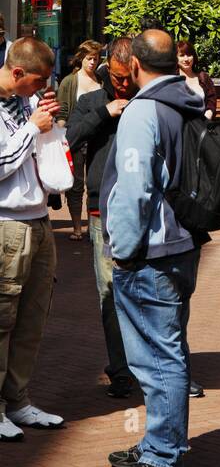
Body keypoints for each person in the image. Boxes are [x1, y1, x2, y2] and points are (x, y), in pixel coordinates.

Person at [102, 29, 207, 467]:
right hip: (182, 244)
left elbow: (134, 186)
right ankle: (157, 443)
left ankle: (164, 456)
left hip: (152, 250)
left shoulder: (143, 110)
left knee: (157, 358)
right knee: (168, 349)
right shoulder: (187, 99)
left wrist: (122, 250)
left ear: (135, 65)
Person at [0, 38, 65, 441]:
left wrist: (50, 126)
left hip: (39, 220)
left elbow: (39, 152)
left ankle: (18, 400)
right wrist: (31, 130)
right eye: (37, 81)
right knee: (2, 320)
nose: (41, 88)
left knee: (32, 318)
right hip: (7, 225)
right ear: (17, 72)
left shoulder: (27, 102)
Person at [66, 38, 138, 400]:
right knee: (109, 293)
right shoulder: (90, 100)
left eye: (129, 78)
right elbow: (70, 137)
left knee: (146, 292)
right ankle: (121, 369)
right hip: (101, 210)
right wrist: (104, 113)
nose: (124, 85)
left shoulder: (146, 99)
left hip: (143, 209)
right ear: (108, 66)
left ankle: (153, 365)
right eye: (119, 77)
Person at [56, 39, 103, 240]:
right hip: (76, 138)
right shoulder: (70, 81)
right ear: (81, 58)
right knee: (75, 185)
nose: (93, 62)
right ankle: (77, 227)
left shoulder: (101, 80)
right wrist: (62, 139)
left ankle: (93, 227)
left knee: (95, 183)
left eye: (96, 58)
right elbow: (62, 112)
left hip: (98, 139)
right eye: (89, 58)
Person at [176, 41, 217, 120]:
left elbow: (211, 100)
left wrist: (207, 117)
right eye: (182, 55)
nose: (186, 59)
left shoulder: (203, 78)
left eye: (189, 55)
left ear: (194, 56)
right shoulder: (172, 79)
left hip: (201, 125)